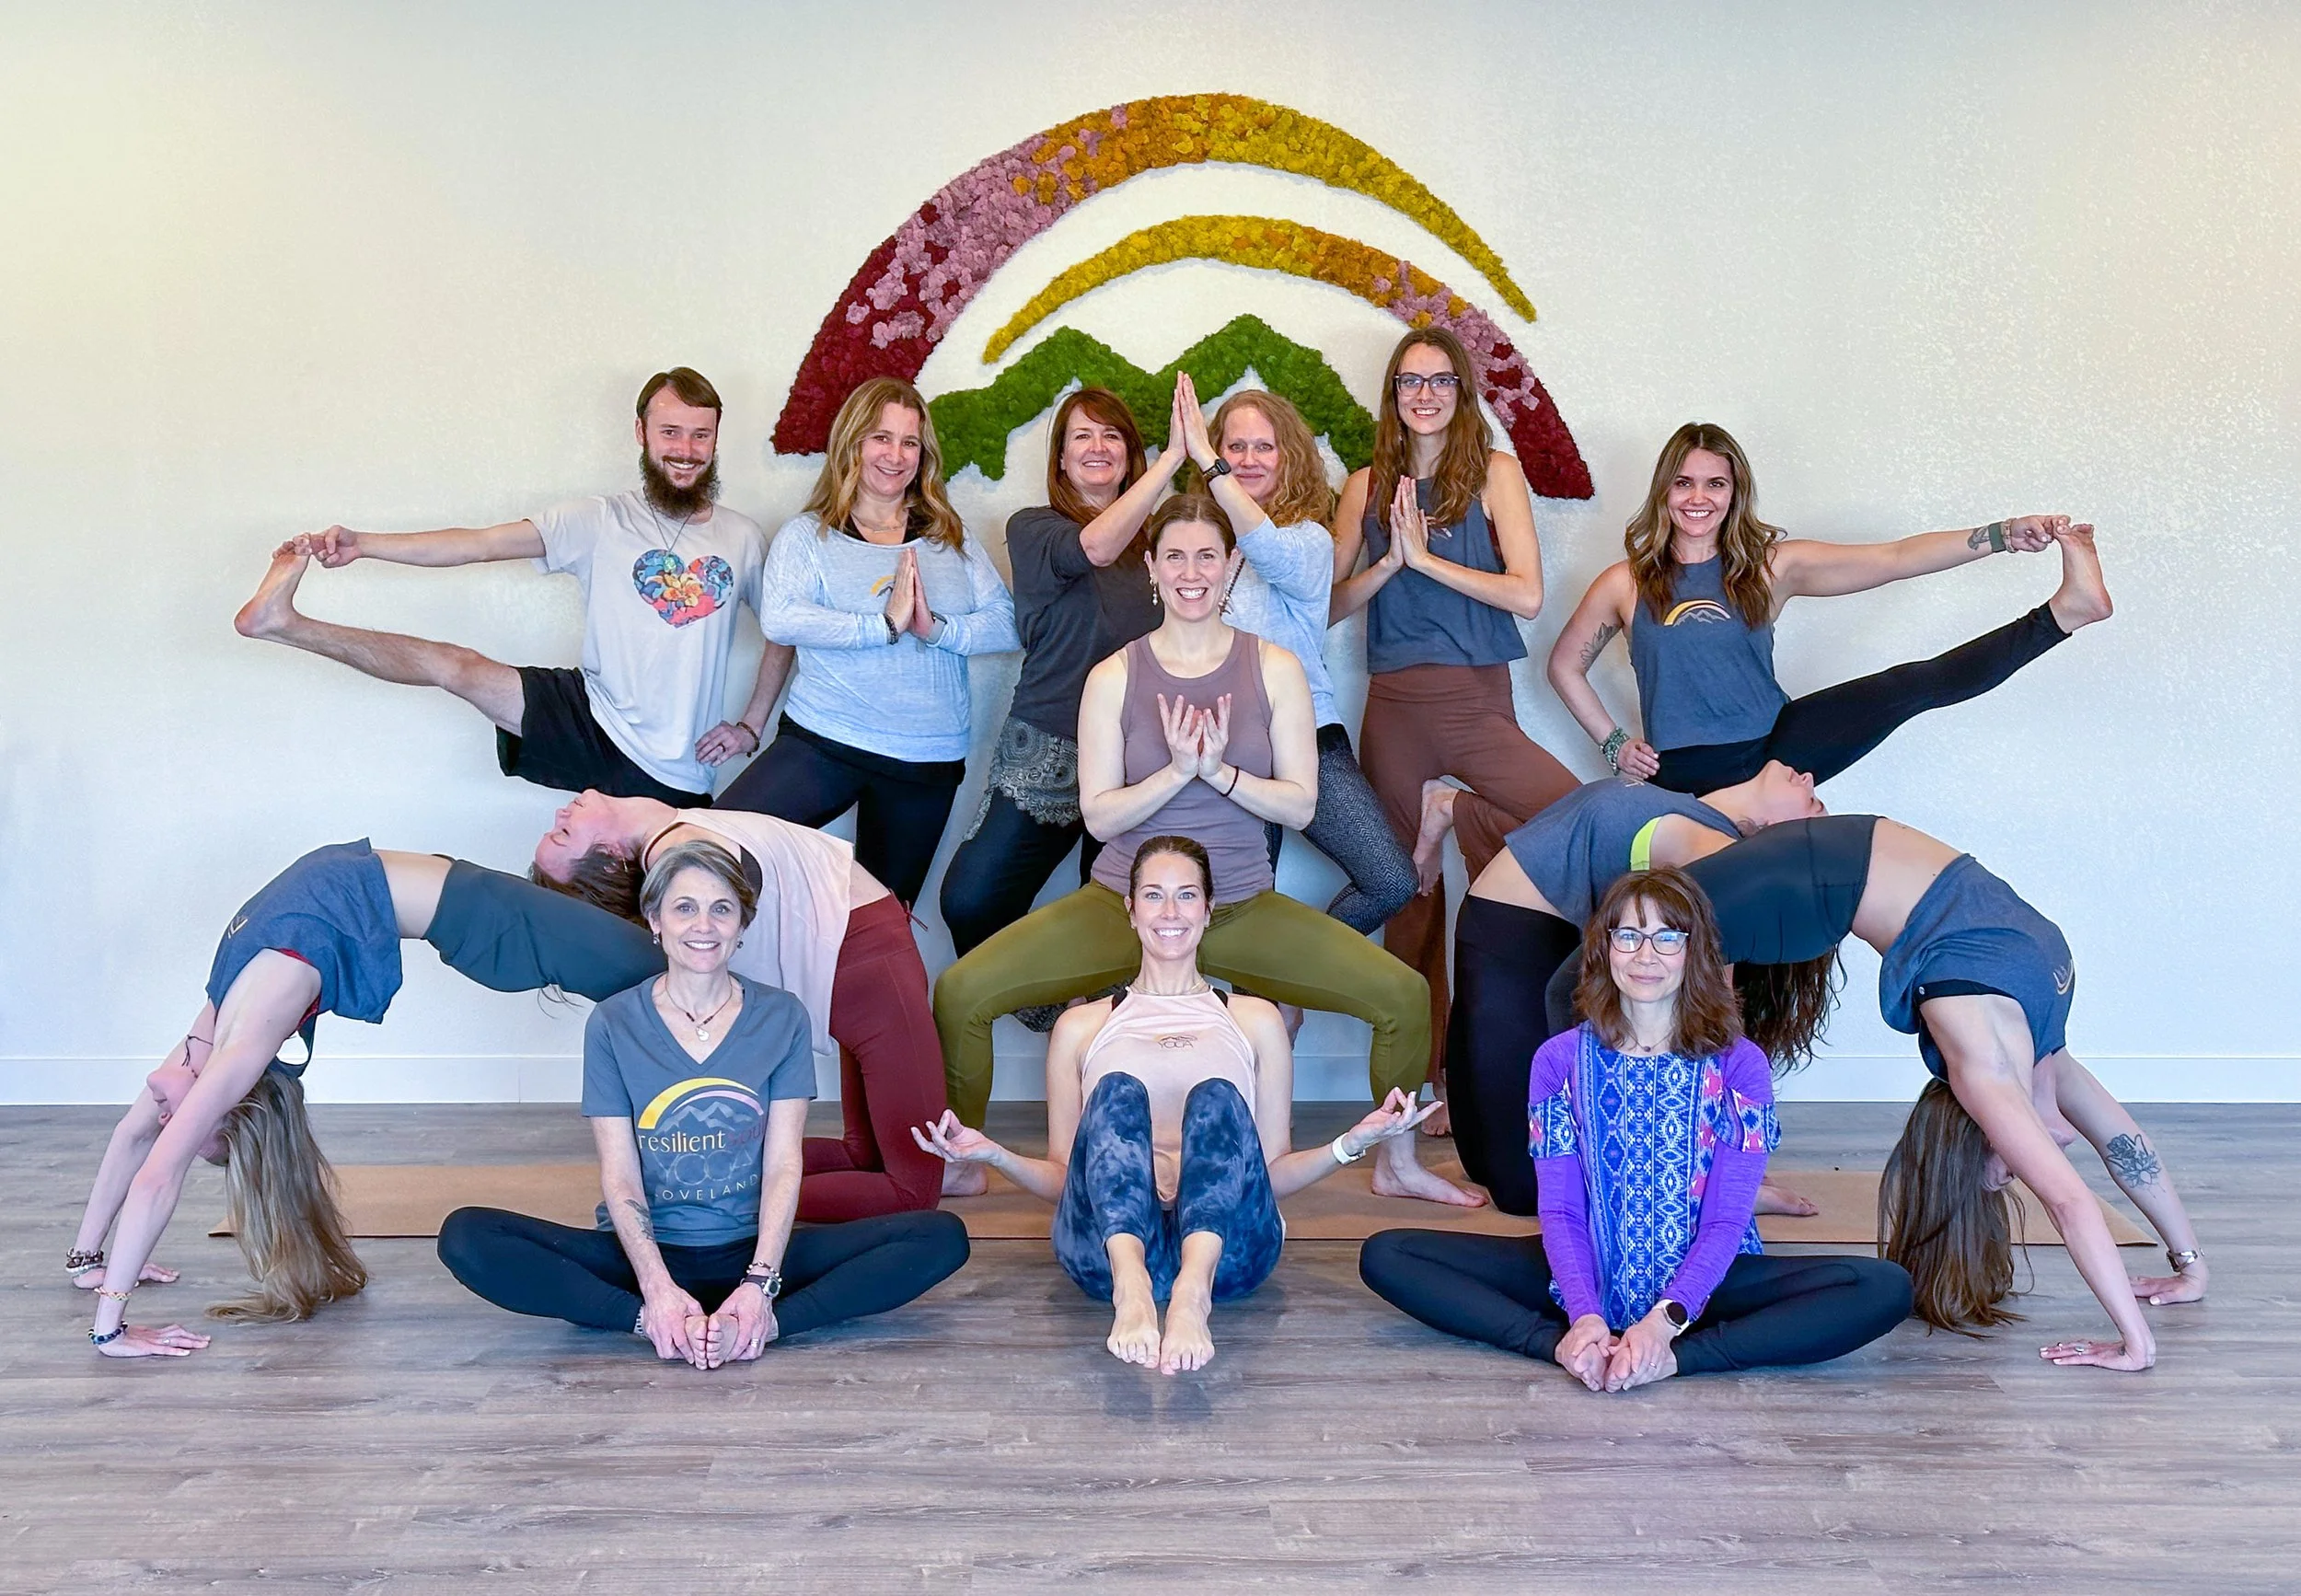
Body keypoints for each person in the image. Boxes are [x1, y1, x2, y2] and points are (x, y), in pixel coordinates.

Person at [933, 495, 1477, 1206]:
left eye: (1208, 556)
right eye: (1176, 556)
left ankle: (1397, 1162)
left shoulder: (1274, 667)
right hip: (1124, 902)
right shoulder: (1115, 676)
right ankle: (965, 1158)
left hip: (1241, 904)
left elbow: (1300, 804)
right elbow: (1098, 815)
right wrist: (1176, 772)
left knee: (1401, 996)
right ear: (1153, 570)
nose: (1193, 572)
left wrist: (1220, 772)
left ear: (1232, 567)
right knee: (961, 993)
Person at [1662, 816, 2208, 1370]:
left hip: (1839, 872)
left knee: (1649, 982)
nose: (2012, 1174)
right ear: (1986, 1129)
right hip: (1807, 875)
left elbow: (2123, 1141)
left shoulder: (2032, 1041)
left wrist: (2189, 1265)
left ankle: (1706, 1188)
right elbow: (2069, 1202)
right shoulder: (1984, 1067)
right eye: (2005, 1171)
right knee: (1606, 978)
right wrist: (2135, 1343)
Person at [1360, 869, 1913, 1388]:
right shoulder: (1559, 1060)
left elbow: (1726, 1217)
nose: (1646, 955)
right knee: (1389, 1254)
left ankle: (1676, 1359)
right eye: (1629, 936)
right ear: (1605, 949)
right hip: (1583, 1270)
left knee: (1882, 1287)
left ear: (1694, 953)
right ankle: (1566, 1346)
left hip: (1705, 1284)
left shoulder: (1739, 1065)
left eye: (1668, 937)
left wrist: (1664, 1324)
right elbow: (1560, 1209)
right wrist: (1583, 1315)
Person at [914, 838, 1435, 1374]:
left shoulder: (1256, 1021)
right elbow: (1068, 1178)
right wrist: (992, 1154)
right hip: (1104, 1259)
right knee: (1118, 1088)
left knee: (1216, 1094)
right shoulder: (1080, 1027)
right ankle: (1133, 1286)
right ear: (1131, 910)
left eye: (1186, 896)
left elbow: (1270, 1174)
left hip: (1229, 1258)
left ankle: (1190, 1294)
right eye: (1154, 895)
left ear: (1208, 911)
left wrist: (1353, 1144)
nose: (1170, 912)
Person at [438, 842, 968, 1365]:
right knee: (467, 1235)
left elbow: (784, 1164)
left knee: (941, 1236)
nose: (704, 925)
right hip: (643, 1255)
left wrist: (761, 1286)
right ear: (655, 921)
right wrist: (656, 1294)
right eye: (685, 908)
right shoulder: (614, 1023)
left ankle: (768, 1324)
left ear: (741, 925)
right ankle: (651, 1323)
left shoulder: (781, 1017)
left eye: (722, 909)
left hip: (754, 1249)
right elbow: (620, 1175)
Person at [234, 368, 782, 806]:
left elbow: (783, 629)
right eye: (670, 432)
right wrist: (364, 544)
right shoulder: (599, 520)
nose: (685, 450)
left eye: (700, 435)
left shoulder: (741, 537)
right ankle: (282, 621)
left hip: (680, 767)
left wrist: (751, 728)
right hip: (593, 715)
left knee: (661, 911)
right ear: (641, 433)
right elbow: (477, 543)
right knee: (454, 665)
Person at [1546, 422, 2115, 793]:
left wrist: (2002, 534)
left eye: (1715, 484)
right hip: (1683, 773)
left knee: (1912, 684)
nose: (1699, 499)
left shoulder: (1770, 568)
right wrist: (1614, 743)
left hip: (1776, 747)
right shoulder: (1626, 583)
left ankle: (2066, 613)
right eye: (1684, 483)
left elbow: (1894, 557)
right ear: (1663, 492)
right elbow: (1564, 666)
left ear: (1734, 493)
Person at [1329, 327, 1578, 1093]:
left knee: (1570, 823)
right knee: (1411, 898)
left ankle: (1458, 811)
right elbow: (1329, 607)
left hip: (1476, 698)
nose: (1426, 395)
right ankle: (1414, 1090)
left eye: (1440, 381)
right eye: (1411, 382)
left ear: (1461, 392)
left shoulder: (1494, 474)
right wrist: (1389, 563)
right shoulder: (1365, 484)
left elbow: (1528, 595)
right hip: (1396, 706)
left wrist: (1427, 561)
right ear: (1393, 395)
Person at [528, 790, 949, 1221]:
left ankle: (707, 1184)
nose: (563, 813)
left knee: (863, 1154)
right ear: (613, 856)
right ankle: (709, 1199)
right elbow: (724, 888)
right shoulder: (682, 855)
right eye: (563, 833)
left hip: (859, 967)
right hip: (871, 972)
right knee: (914, 1193)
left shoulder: (671, 833)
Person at [1447, 763, 1826, 1212]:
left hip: (1519, 946)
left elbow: (1714, 1008)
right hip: (1495, 935)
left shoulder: (1712, 848)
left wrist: (1735, 1169)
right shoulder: (1690, 805)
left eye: (1814, 805)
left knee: (1521, 1192)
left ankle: (1708, 1191)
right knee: (1480, 1163)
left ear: (1773, 831)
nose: (1808, 779)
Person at [719, 377, 1019, 908]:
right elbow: (782, 621)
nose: (896, 455)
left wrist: (937, 629)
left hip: (924, 760)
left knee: (883, 922)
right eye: (881, 438)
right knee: (712, 849)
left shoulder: (949, 535)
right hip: (826, 740)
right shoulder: (806, 535)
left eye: (910, 443)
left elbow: (1005, 623)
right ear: (853, 443)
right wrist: (881, 626)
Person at [1175, 378, 1418, 933]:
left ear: (1290, 456)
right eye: (1234, 447)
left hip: (1306, 740)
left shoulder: (1309, 539)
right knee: (1238, 908)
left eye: (1264, 447)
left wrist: (1208, 464)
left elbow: (1267, 548)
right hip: (1224, 746)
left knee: (1390, 879)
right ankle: (1254, 1009)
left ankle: (1290, 985)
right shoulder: (1202, 546)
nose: (1247, 460)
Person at [937, 386, 1168, 962]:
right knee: (971, 900)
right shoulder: (1034, 527)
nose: (1097, 446)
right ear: (1061, 459)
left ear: (1129, 454)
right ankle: (1046, 1012)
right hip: (1048, 741)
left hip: (1137, 755)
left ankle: (1097, 1038)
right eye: (1081, 436)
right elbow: (1091, 548)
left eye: (1111, 434)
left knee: (1117, 921)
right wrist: (1174, 459)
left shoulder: (1160, 545)